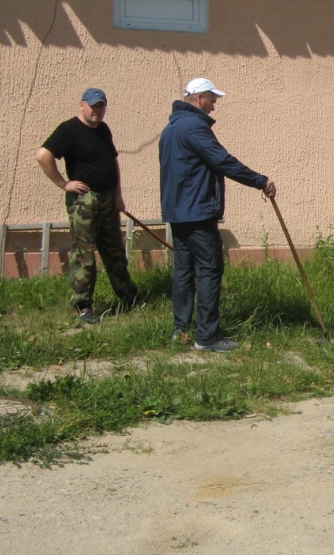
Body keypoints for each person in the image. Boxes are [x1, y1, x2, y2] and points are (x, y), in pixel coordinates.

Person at [159, 78, 276, 353]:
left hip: (178, 210)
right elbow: (222, 161)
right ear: (199, 98)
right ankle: (207, 337)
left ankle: (181, 329)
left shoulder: (171, 127)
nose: (214, 106)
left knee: (184, 270)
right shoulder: (193, 127)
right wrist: (260, 181)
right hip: (197, 209)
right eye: (212, 99)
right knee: (210, 268)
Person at [35, 87, 140, 324]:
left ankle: (129, 297)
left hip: (107, 199)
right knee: (84, 255)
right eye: (93, 106)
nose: (97, 110)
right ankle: (83, 305)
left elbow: (113, 162)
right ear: (82, 105)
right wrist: (64, 183)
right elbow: (43, 155)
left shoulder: (103, 130)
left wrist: (118, 195)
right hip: (84, 201)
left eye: (101, 106)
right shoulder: (68, 130)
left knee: (114, 251)